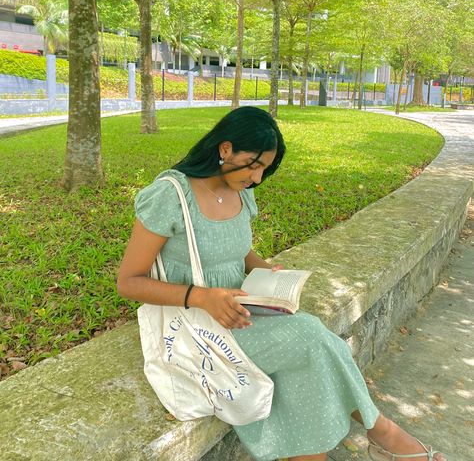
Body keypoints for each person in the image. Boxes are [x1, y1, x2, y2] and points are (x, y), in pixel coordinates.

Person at [117, 106, 445, 461]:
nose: (257, 178)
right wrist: (202, 297)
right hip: (199, 326)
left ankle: (361, 441)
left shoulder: (240, 190)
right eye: (254, 165)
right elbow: (129, 281)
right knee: (311, 337)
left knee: (306, 367)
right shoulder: (170, 195)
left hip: (241, 311)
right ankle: (382, 431)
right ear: (225, 149)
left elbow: (236, 253)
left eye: (264, 169)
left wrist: (267, 270)